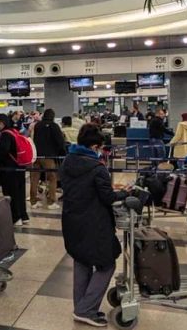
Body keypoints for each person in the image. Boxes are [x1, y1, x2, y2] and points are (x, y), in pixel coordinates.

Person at [60, 124, 130, 327]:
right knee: (107, 264)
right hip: (94, 223)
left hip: (72, 220)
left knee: (81, 260)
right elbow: (107, 197)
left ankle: (81, 308)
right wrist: (125, 192)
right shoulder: (97, 167)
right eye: (99, 147)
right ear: (93, 146)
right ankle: (86, 309)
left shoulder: (67, 161)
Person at [0, 114, 29, 226]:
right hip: (19, 166)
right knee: (20, 192)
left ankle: (15, 217)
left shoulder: (4, 135)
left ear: (1, 123)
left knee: (10, 193)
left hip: (8, 169)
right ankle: (23, 216)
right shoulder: (14, 131)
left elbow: (4, 151)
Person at [30, 109, 66, 210]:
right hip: (49, 156)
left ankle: (33, 202)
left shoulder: (37, 125)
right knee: (52, 178)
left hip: (37, 156)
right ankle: (51, 202)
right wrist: (62, 152)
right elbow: (59, 141)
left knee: (35, 179)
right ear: (53, 116)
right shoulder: (54, 126)